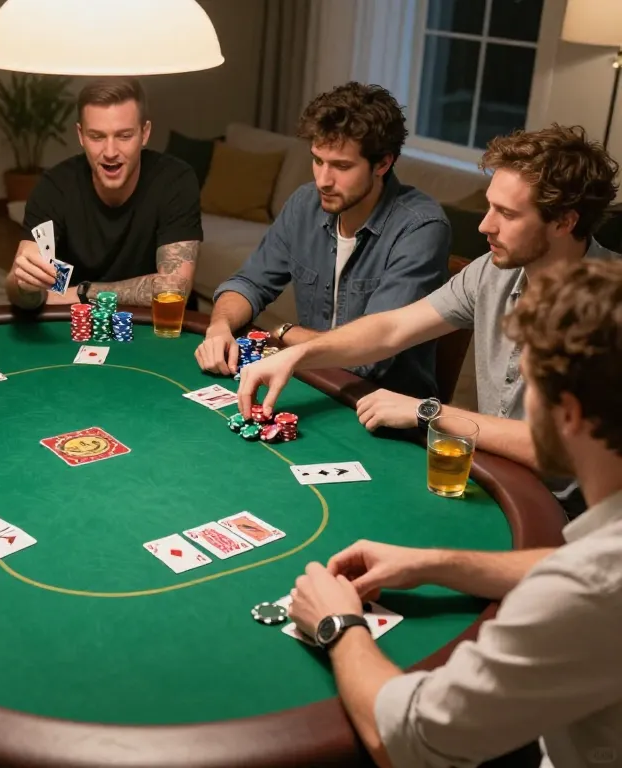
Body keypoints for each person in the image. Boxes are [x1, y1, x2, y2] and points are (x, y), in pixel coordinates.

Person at [283, 258, 622, 768]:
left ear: (569, 414)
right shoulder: (598, 563)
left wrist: (337, 623)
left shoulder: (591, 589)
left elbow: (407, 737)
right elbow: (583, 567)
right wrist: (434, 563)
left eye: (533, 395)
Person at [237, 125, 619, 514]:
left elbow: (562, 451)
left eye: (506, 213)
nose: (485, 225)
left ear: (564, 222)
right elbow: (393, 327)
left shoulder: (611, 307)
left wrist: (427, 412)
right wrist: (296, 355)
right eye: (490, 206)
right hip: (491, 479)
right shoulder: (492, 270)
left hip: (575, 517)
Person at [196, 82, 451, 400]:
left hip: (382, 405)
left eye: (342, 166)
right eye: (318, 160)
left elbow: (370, 353)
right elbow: (249, 283)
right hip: (312, 382)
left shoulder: (421, 228)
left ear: (383, 164)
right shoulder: (305, 203)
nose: (323, 180)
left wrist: (285, 334)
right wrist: (219, 326)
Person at [5, 77, 203, 308]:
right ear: (81, 135)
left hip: (159, 328)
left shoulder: (175, 180)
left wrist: (81, 292)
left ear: (145, 133)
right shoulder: (54, 188)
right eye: (97, 136)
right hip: (78, 327)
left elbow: (173, 290)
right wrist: (23, 286)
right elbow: (24, 292)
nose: (110, 152)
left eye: (124, 136)